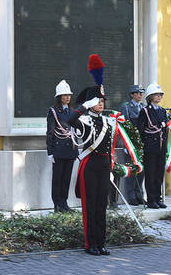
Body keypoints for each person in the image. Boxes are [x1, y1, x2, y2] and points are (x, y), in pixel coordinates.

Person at [69, 54, 112, 256]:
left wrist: (110, 168)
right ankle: (90, 244)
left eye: (102, 100)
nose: (101, 104)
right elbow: (69, 119)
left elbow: (109, 146)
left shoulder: (107, 121)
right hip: (90, 165)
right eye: (97, 101)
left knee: (102, 206)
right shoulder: (84, 119)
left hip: (103, 166)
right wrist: (84, 106)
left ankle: (101, 243)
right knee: (89, 206)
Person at [46, 80, 78, 213]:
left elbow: (74, 131)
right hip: (58, 150)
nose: (67, 97)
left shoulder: (72, 111)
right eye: (64, 95)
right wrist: (50, 152)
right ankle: (57, 204)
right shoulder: (53, 111)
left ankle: (64, 203)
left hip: (70, 150)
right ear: (59, 97)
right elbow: (50, 132)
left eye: (69, 95)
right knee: (57, 179)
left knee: (66, 179)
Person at [137, 83, 168, 209]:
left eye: (160, 95)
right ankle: (151, 199)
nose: (159, 97)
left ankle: (158, 198)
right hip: (150, 147)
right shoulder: (145, 111)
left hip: (160, 147)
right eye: (156, 94)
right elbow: (141, 129)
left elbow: (164, 129)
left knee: (159, 174)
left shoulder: (162, 111)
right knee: (150, 173)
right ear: (150, 96)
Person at [118, 84, 146, 206]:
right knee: (132, 171)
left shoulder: (144, 107)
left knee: (141, 171)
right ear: (132, 95)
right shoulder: (126, 107)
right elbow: (123, 127)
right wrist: (125, 145)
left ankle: (140, 195)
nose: (140, 95)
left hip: (142, 144)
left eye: (141, 93)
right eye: (138, 93)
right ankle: (131, 196)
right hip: (131, 144)